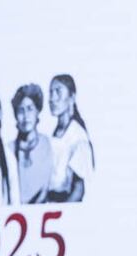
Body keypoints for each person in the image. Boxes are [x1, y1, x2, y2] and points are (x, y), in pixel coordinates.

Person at [47, 74, 94, 202]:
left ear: (71, 97)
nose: (52, 99)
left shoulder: (77, 136)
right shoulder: (56, 133)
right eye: (50, 93)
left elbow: (78, 189)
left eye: (58, 92)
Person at [10, 83, 54, 204]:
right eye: (21, 111)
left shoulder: (48, 144)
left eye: (30, 109)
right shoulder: (9, 149)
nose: (25, 116)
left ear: (37, 111)